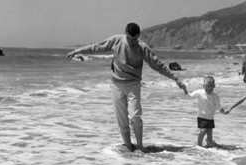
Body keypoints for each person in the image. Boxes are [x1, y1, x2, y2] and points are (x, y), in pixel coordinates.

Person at [66, 22, 187, 152]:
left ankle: (140, 147)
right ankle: (129, 147)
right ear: (125, 34)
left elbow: (158, 65)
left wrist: (176, 78)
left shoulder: (142, 47)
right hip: (116, 85)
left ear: (138, 36)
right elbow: (97, 47)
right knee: (122, 121)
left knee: (135, 116)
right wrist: (77, 51)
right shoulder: (117, 40)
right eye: (129, 38)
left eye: (134, 39)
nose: (131, 41)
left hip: (133, 85)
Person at [188, 76, 227, 147]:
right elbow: (190, 95)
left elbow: (218, 106)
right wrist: (185, 90)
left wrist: (223, 111)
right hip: (201, 116)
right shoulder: (200, 93)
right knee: (203, 131)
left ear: (214, 87)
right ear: (203, 86)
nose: (208, 91)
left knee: (209, 134)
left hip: (210, 118)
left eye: (210, 89)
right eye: (206, 89)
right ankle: (198, 144)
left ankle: (209, 145)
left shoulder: (215, 96)